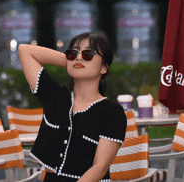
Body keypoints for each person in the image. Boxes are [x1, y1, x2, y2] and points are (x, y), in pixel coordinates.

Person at [18, 32, 127, 182]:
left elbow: (99, 168)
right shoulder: (56, 97)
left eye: (89, 53)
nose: (79, 56)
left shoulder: (112, 112)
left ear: (104, 68)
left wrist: (78, 61)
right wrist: (73, 62)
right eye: (73, 52)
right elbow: (25, 50)